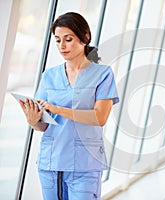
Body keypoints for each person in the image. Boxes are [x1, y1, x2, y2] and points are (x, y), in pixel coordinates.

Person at [19, 12, 119, 200]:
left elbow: (100, 117)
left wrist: (58, 110)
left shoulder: (103, 74)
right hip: (51, 163)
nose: (62, 46)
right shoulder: (49, 76)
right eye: (57, 40)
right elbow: (44, 124)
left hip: (85, 165)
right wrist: (33, 121)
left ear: (85, 38)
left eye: (68, 39)